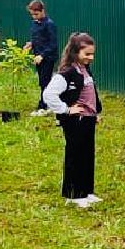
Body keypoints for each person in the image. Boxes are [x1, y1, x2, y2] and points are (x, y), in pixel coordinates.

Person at [43, 32, 102, 207]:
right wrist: (66, 110)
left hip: (88, 120)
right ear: (76, 53)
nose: (91, 58)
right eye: (87, 54)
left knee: (87, 155)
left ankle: (86, 191)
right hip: (75, 121)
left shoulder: (85, 71)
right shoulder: (67, 73)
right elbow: (49, 94)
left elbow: (90, 94)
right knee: (75, 156)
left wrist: (95, 112)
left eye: (92, 54)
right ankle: (73, 194)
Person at [27, 0, 59, 115]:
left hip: (48, 57)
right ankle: (46, 102)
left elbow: (53, 44)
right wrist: (31, 44)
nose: (34, 17)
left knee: (45, 81)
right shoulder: (35, 23)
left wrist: (42, 55)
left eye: (36, 14)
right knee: (42, 81)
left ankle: (44, 105)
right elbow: (37, 38)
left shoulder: (49, 24)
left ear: (42, 11)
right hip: (38, 57)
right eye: (32, 14)